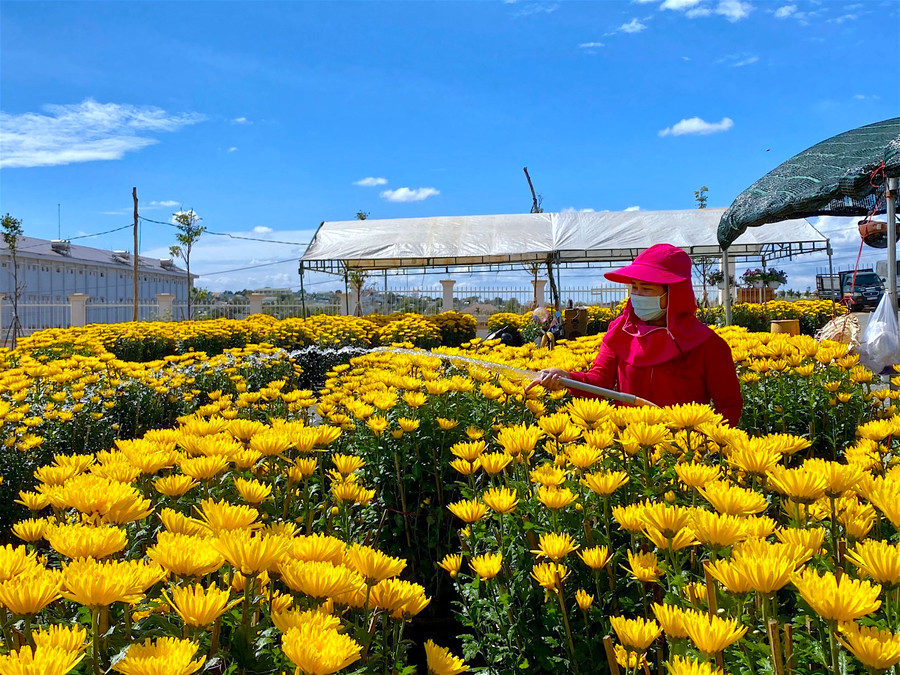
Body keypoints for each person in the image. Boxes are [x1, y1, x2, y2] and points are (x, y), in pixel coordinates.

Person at [526, 243, 743, 426]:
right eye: (634, 288)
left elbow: (729, 406)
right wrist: (567, 378)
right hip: (629, 444)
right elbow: (598, 381)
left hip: (686, 451)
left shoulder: (708, 345)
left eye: (646, 289)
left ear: (673, 294)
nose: (637, 295)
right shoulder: (620, 331)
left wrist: (710, 447)